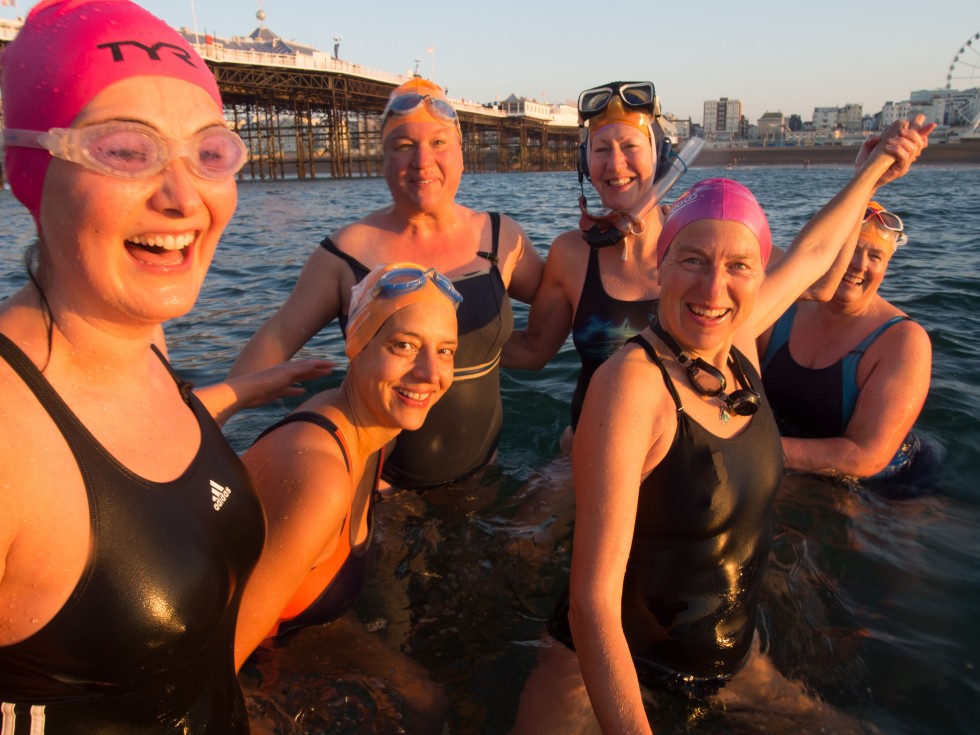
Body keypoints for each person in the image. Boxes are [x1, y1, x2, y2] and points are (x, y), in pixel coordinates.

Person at [512, 117, 932, 734]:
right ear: (660, 269)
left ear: (760, 277)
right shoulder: (631, 385)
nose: (714, 286)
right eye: (692, 260)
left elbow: (816, 254)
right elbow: (592, 603)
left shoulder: (734, 339)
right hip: (601, 666)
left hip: (729, 662)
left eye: (738, 266)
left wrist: (872, 169)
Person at [0, 0, 328, 730]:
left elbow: (129, 450)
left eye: (210, 153)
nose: (185, 197)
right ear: (30, 167)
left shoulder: (144, 338)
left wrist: (244, 389)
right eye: (124, 149)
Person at [228, 77, 543, 490]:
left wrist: (615, 243)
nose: (422, 161)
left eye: (438, 143)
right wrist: (214, 417)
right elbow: (280, 334)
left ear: (462, 154)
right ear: (384, 159)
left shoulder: (502, 238)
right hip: (383, 490)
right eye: (404, 146)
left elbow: (565, 293)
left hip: (484, 478)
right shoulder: (345, 251)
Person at [234, 262, 458, 731]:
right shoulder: (318, 477)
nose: (429, 373)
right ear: (356, 345)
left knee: (429, 706)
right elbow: (208, 665)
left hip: (300, 632)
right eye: (404, 346)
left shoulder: (378, 433)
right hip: (236, 667)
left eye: (446, 351)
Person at [502, 81, 671, 451]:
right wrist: (447, 343)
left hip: (677, 464)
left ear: (661, 155)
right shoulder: (571, 254)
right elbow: (533, 352)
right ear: (584, 163)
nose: (615, 164)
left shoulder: (698, 241)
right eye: (600, 150)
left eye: (630, 147)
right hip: (587, 452)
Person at [759, 201, 932, 481]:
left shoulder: (903, 340)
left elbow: (866, 457)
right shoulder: (785, 304)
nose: (858, 265)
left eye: (875, 256)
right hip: (783, 454)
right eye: (850, 249)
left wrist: (749, 450)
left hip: (887, 486)